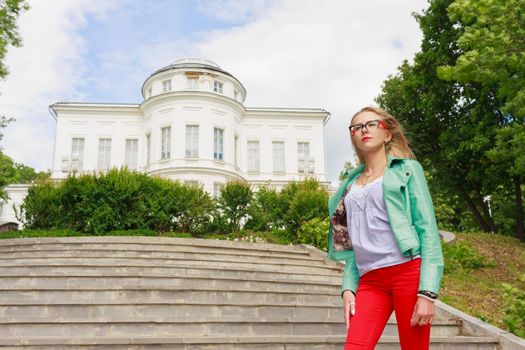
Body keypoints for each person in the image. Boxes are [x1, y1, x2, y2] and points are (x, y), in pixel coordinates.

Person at [327, 106, 444, 350]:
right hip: (370, 280)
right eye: (357, 127)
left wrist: (428, 292)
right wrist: (348, 287)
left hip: (407, 272)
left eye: (372, 124)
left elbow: (428, 230)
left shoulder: (407, 170)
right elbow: (352, 244)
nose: (363, 130)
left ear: (387, 134)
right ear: (353, 137)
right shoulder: (348, 185)